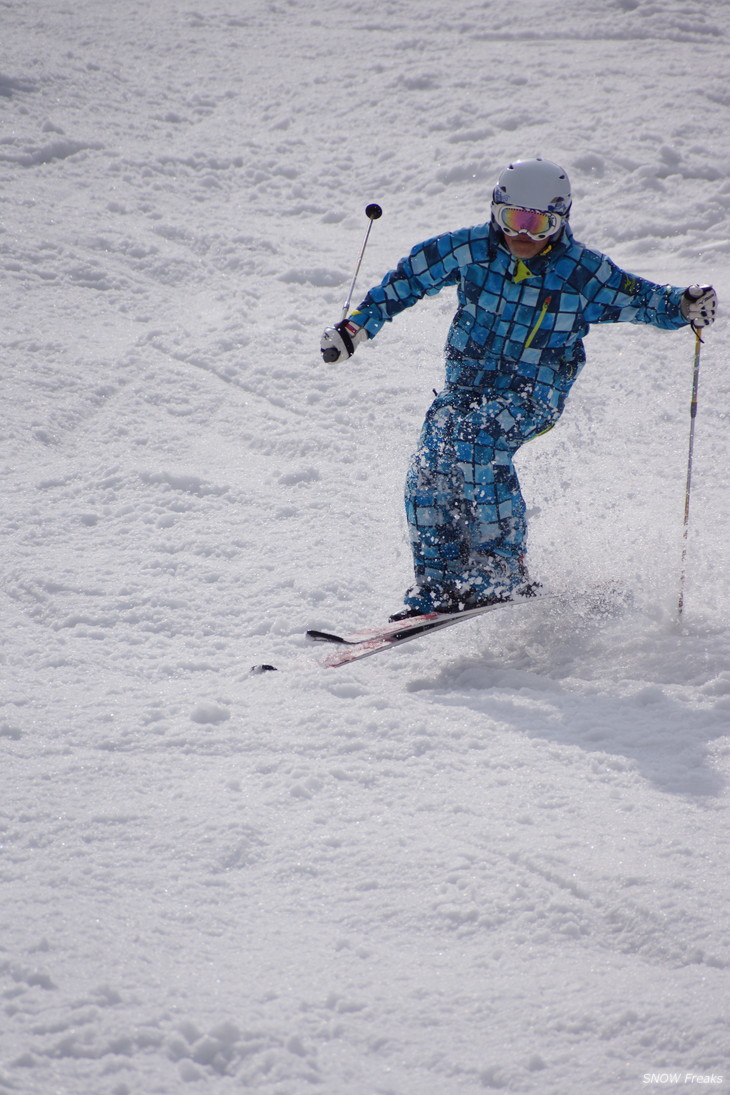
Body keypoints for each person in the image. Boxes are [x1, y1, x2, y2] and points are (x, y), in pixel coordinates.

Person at [320, 158, 717, 620]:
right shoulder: (469, 249)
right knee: (431, 457)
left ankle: (501, 573)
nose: (524, 235)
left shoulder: (580, 272)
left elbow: (643, 298)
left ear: (560, 222)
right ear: (496, 212)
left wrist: (683, 304)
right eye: (514, 220)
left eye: (540, 224)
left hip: (536, 388)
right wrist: (356, 329)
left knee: (477, 441)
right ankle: (441, 581)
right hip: (468, 383)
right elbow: (408, 279)